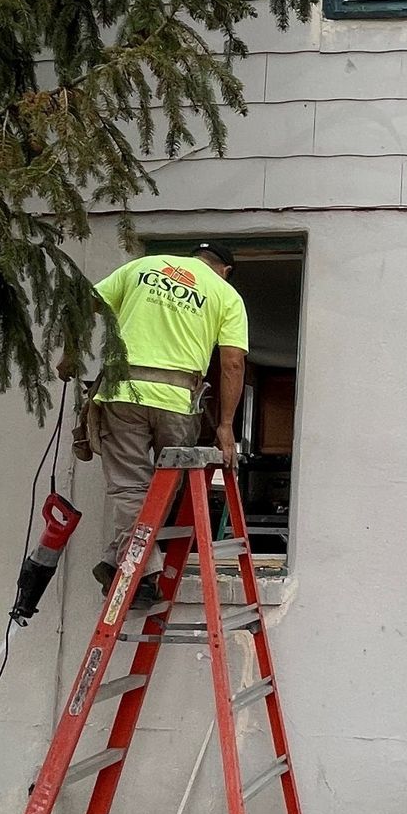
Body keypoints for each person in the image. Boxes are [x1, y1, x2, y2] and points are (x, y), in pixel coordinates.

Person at [84, 246, 247, 605]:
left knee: (131, 488)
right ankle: (143, 571)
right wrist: (225, 426)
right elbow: (233, 363)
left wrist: (68, 357)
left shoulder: (141, 267)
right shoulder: (226, 294)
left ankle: (121, 559)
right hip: (178, 399)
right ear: (226, 270)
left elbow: (83, 307)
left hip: (124, 392)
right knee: (165, 483)